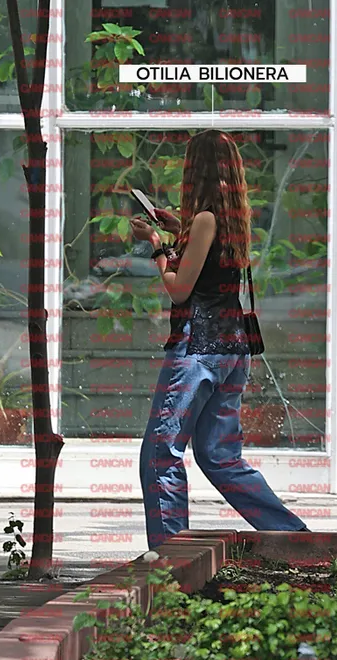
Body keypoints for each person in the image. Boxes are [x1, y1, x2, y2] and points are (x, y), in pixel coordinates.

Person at [129, 129, 309, 550]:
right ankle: (295, 538)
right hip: (232, 348)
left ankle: (171, 559)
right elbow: (207, 266)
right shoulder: (230, 218)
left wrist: (156, 246)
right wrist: (178, 229)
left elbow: (179, 290)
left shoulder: (205, 220)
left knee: (160, 453)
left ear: (197, 171)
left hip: (198, 347)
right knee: (220, 456)